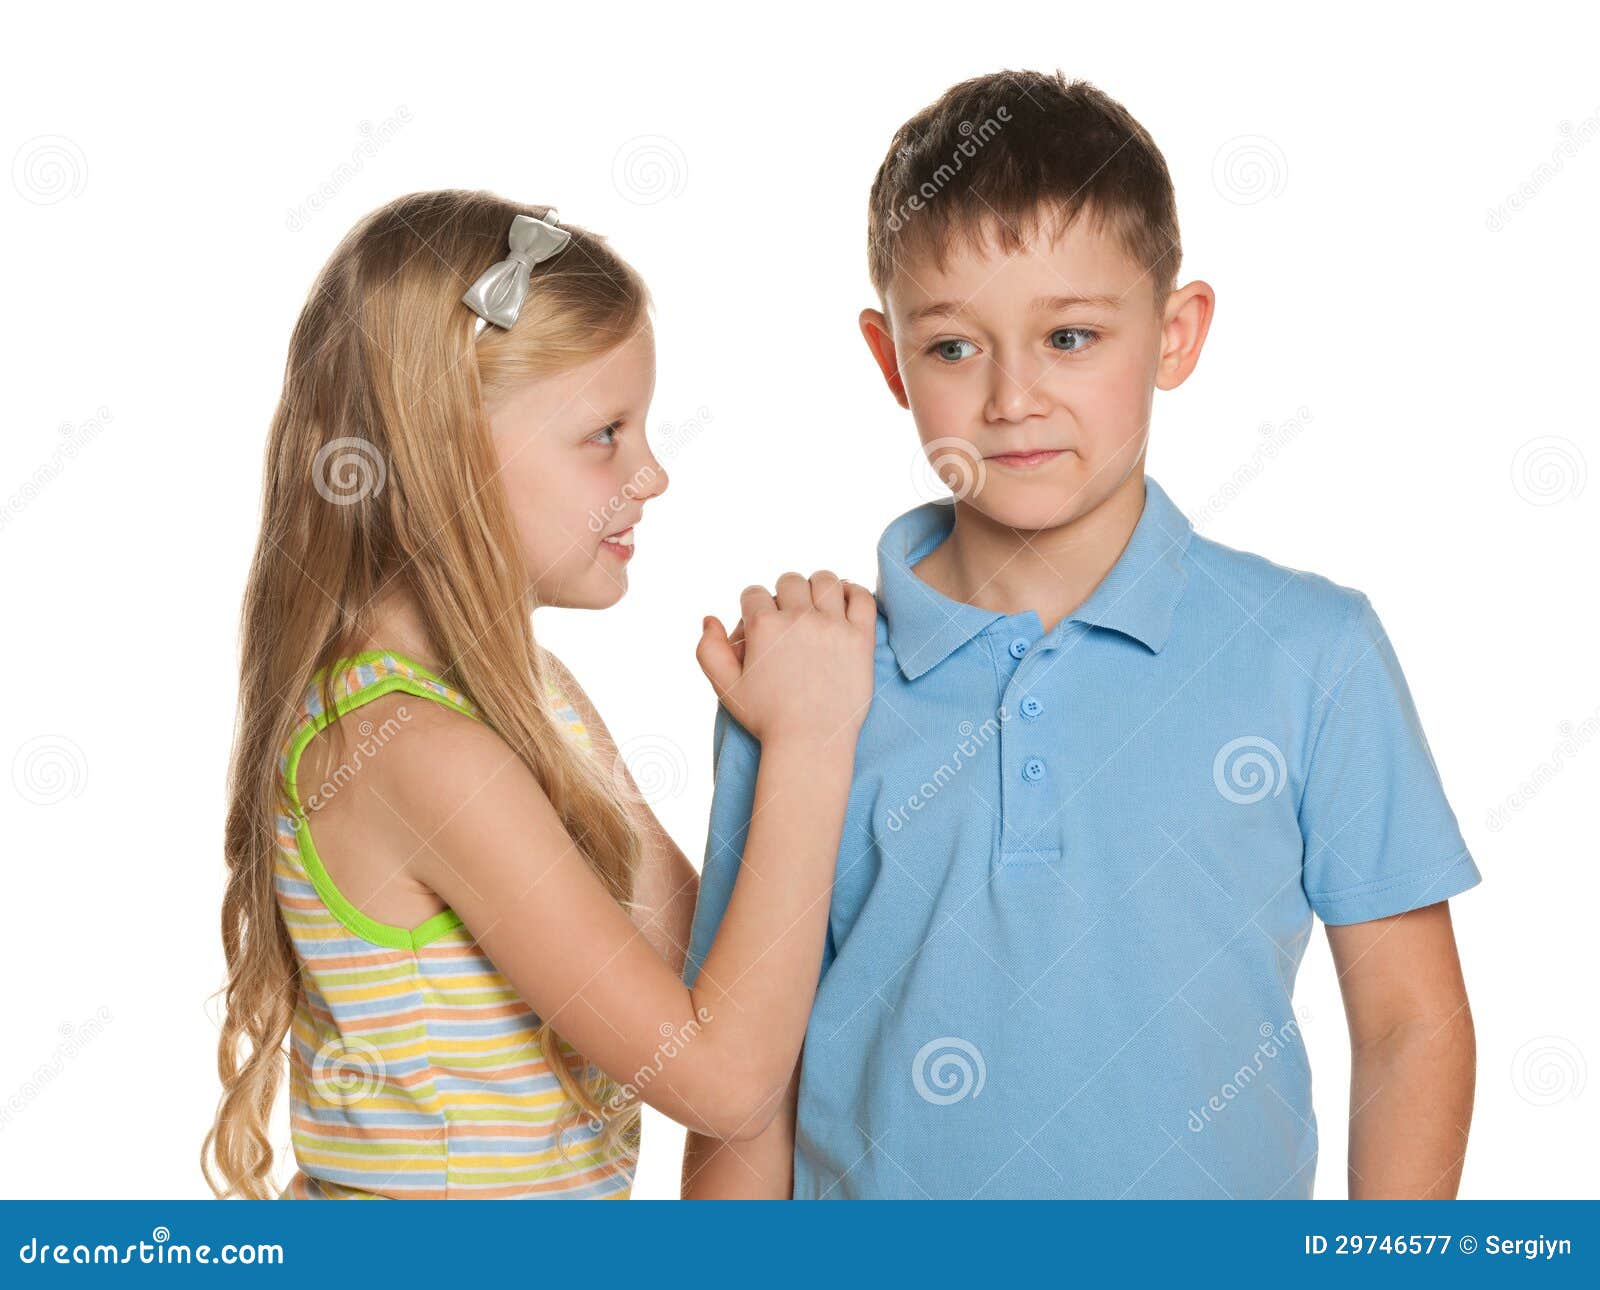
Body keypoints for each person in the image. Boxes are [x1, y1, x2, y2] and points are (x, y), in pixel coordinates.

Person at [681, 72, 1480, 1200]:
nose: (1013, 398)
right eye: (954, 348)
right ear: (886, 357)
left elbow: (1408, 1028)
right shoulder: (804, 679)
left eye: (1068, 336)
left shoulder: (1313, 652)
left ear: (1175, 333)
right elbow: (737, 1081)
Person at [203, 189, 876, 1199]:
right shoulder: (411, 750)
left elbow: (720, 968)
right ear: (446, 456)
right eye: (605, 433)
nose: (649, 474)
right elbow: (724, 1081)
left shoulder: (534, 699)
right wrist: (810, 745)